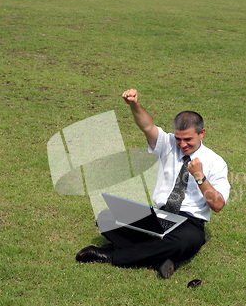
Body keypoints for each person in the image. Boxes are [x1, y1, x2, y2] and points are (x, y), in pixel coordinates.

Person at [75, 89, 231, 278]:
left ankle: (110, 255)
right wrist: (134, 105)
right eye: (179, 138)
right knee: (106, 218)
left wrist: (200, 177)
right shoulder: (168, 144)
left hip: (189, 222)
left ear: (202, 133)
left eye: (188, 139)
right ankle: (162, 258)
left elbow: (217, 205)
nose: (182, 145)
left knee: (184, 242)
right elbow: (147, 126)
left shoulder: (216, 162)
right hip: (157, 215)